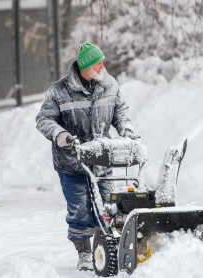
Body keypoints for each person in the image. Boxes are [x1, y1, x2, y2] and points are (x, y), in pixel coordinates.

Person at [36, 43, 136, 271]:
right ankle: (83, 253)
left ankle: (107, 247)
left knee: (109, 207)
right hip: (72, 163)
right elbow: (43, 119)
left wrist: (126, 129)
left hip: (102, 161)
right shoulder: (60, 91)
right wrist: (59, 134)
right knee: (79, 210)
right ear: (85, 67)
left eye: (101, 61)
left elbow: (120, 111)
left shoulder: (109, 84)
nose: (102, 65)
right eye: (97, 63)